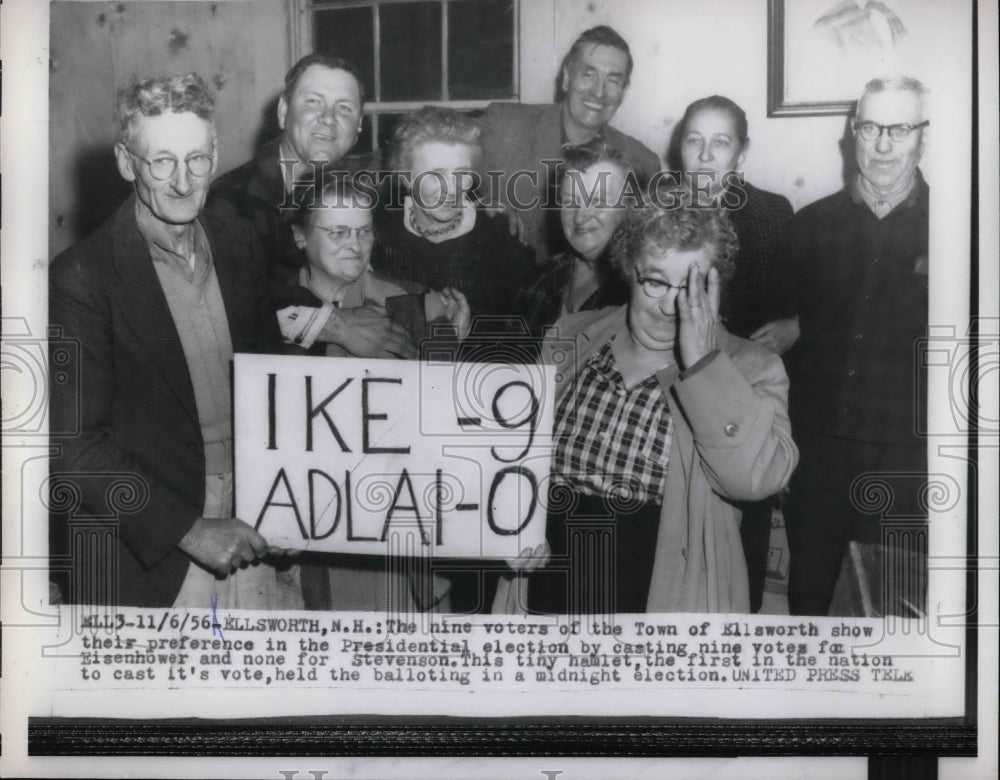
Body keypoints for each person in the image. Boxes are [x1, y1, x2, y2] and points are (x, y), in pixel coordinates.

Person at [48, 73, 298, 608]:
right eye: (161, 161)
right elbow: (72, 446)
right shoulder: (82, 276)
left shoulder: (240, 241)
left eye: (197, 160)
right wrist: (190, 530)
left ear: (214, 154)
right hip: (151, 543)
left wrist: (291, 501)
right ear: (125, 162)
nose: (184, 182)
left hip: (253, 513)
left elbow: (275, 380)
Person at [528, 205, 798, 614]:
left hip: (662, 596)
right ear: (629, 270)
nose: (670, 306)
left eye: (689, 289)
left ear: (715, 288)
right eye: (655, 281)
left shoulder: (753, 368)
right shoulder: (568, 336)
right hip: (547, 582)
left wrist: (703, 363)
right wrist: (512, 527)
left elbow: (756, 479)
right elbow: (512, 462)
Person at [276, 175, 470, 611]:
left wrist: (449, 347)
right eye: (338, 231)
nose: (355, 244)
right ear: (300, 236)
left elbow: (442, 425)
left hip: (398, 536)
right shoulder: (269, 308)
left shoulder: (408, 302)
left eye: (364, 231)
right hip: (313, 540)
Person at [776, 76, 930, 616]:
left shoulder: (959, 229)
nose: (884, 144)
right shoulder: (809, 227)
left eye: (900, 128)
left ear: (922, 136)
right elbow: (782, 338)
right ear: (853, 132)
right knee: (809, 605)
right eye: (871, 127)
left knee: (890, 612)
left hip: (906, 467)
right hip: (816, 460)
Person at [672, 95, 795, 612]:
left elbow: (796, 300)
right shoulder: (658, 210)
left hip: (742, 391)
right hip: (672, 389)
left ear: (740, 155)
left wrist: (795, 326)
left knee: (742, 534)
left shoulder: (771, 214)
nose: (704, 155)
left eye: (719, 143)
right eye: (694, 141)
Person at [209, 53, 415, 360]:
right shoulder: (231, 200)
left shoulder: (365, 192)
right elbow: (229, 307)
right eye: (313, 102)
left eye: (344, 108)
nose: (329, 118)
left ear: (358, 126)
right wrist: (337, 328)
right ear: (282, 112)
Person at [476, 25, 660, 264]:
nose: (599, 92)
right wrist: (482, 204)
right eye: (589, 74)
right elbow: (430, 144)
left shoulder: (642, 162)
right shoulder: (505, 125)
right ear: (566, 77)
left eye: (613, 80)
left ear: (623, 92)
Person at [370, 106, 538, 351]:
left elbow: (530, 330)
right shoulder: (376, 233)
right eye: (435, 175)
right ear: (405, 176)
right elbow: (353, 303)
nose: (451, 189)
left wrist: (470, 334)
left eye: (461, 174)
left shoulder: (500, 234)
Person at [517, 145, 634, 339]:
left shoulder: (635, 296)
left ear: (628, 208)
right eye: (570, 201)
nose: (580, 217)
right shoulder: (543, 277)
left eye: (598, 202)